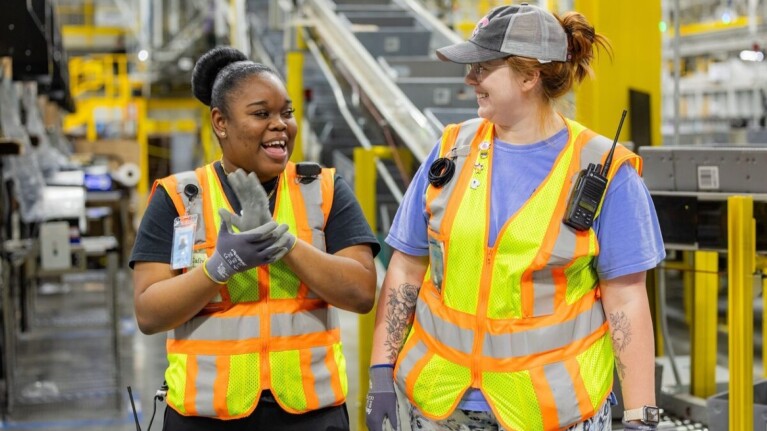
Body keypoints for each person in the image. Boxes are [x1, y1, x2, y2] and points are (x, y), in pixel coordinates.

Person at [366, 4, 665, 431]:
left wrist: (640, 415)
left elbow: (627, 299)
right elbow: (407, 266)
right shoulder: (452, 149)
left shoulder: (604, 171)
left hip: (552, 411)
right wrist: (381, 371)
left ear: (529, 76)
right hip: (439, 403)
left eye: (483, 68)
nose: (470, 79)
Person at [130, 46, 380, 430]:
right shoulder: (179, 198)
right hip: (206, 417)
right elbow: (149, 313)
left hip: (310, 414)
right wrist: (219, 267)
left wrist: (284, 244)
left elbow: (362, 293)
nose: (280, 124)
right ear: (220, 122)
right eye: (262, 114)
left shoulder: (324, 189)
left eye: (287, 112)